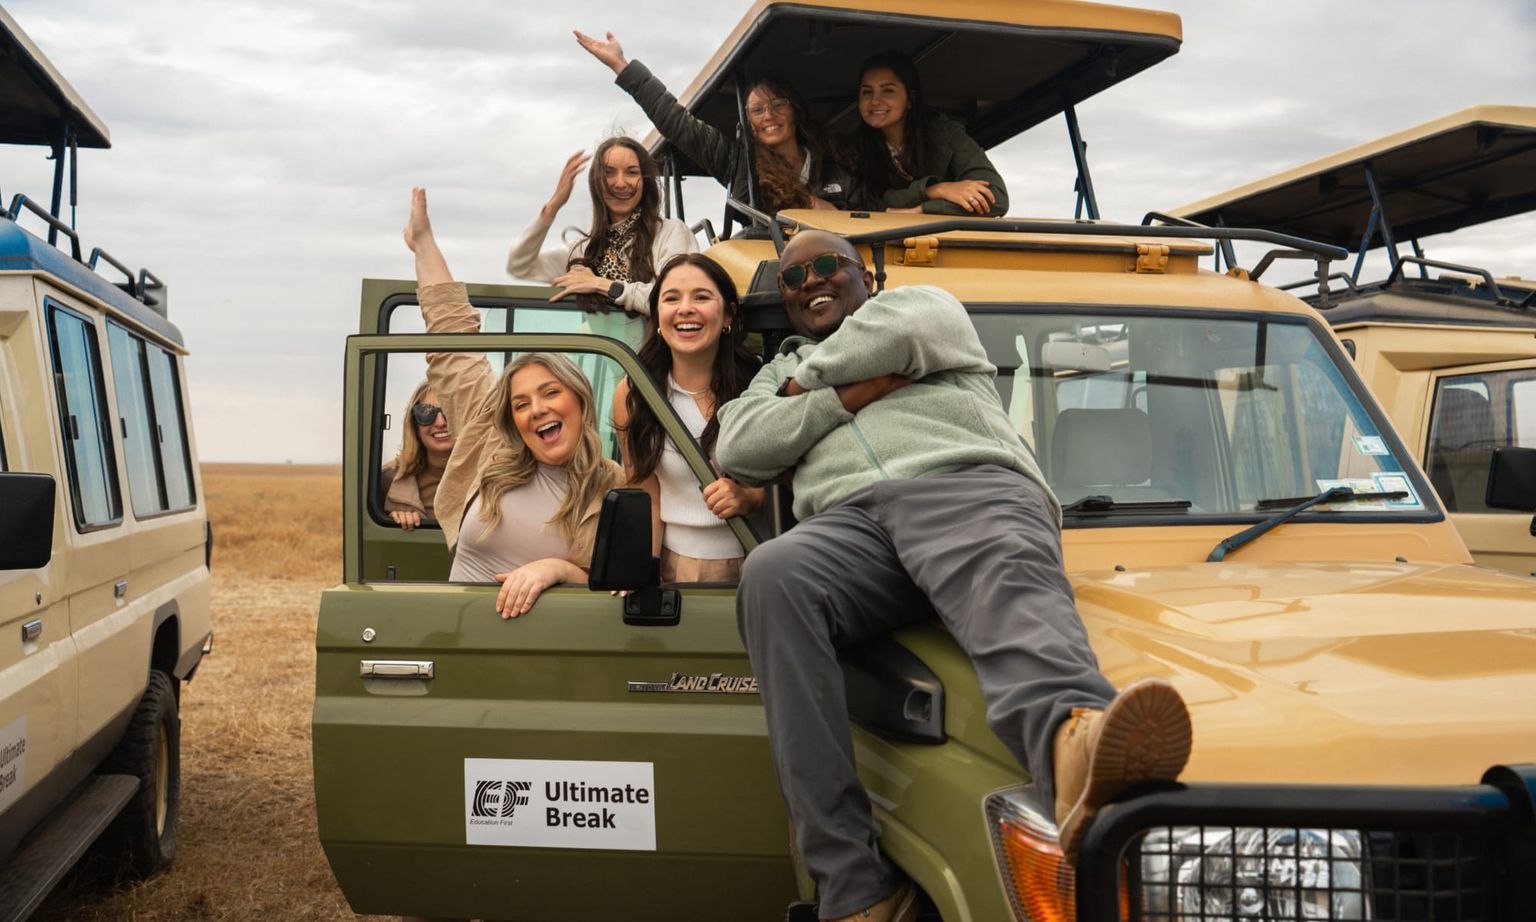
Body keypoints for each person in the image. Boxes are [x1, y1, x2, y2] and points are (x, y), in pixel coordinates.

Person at [715, 230, 1191, 921]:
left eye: (826, 265)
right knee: (772, 573)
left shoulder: (919, 304)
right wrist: (846, 395)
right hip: (850, 524)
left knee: (1003, 576)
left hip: (964, 486)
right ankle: (856, 890)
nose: (810, 281)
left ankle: (1073, 743)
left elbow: (907, 333)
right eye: (792, 277)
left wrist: (801, 396)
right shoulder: (775, 370)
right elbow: (738, 445)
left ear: (865, 276)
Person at [405, 187, 621, 618]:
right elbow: (451, 339)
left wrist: (559, 569)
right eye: (521, 404)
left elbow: (623, 585)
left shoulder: (615, 483)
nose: (536, 409)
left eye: (550, 392)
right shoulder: (493, 447)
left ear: (581, 400)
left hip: (551, 646)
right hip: (459, 631)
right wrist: (424, 241)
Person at [575, 29, 853, 213]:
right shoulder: (739, 164)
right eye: (757, 110)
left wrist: (832, 215)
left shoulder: (836, 164)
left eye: (778, 105)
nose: (769, 115)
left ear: (795, 111)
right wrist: (622, 66)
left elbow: (866, 216)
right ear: (749, 124)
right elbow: (677, 121)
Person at [612, 253, 763, 582]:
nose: (685, 309)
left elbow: (792, 478)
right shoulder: (634, 393)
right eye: (671, 298)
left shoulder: (761, 380)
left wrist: (751, 497)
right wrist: (642, 571)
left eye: (701, 297)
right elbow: (645, 490)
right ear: (657, 315)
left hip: (763, 561)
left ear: (728, 314)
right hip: (676, 566)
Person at [507, 136, 697, 349]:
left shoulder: (671, 233)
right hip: (617, 366)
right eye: (609, 173)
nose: (620, 183)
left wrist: (601, 285)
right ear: (596, 183)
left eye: (632, 172)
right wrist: (553, 206)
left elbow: (679, 301)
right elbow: (519, 264)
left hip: (666, 364)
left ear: (645, 181)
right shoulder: (584, 251)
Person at [851, 52, 1008, 216]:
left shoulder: (946, 134)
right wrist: (934, 190)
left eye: (888, 91)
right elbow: (858, 204)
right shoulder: (850, 149)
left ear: (910, 99)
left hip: (945, 233)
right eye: (867, 92)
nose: (875, 101)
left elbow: (996, 199)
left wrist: (923, 210)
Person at [379, 379, 455, 530]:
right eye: (426, 413)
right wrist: (394, 522)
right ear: (415, 426)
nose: (440, 423)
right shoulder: (386, 479)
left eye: (450, 411)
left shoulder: (489, 477)